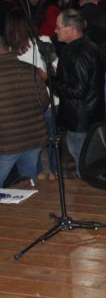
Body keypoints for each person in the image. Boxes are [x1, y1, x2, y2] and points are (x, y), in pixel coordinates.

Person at [53, 9, 106, 175]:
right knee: (87, 160)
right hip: (86, 116)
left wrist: (50, 80)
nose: (55, 30)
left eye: (58, 27)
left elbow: (78, 90)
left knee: (83, 163)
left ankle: (88, 195)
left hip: (81, 119)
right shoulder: (84, 47)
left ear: (71, 29)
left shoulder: (79, 53)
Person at [0, 35, 49, 186]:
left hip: (7, 142)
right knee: (29, 183)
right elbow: (44, 103)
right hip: (33, 138)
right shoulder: (31, 70)